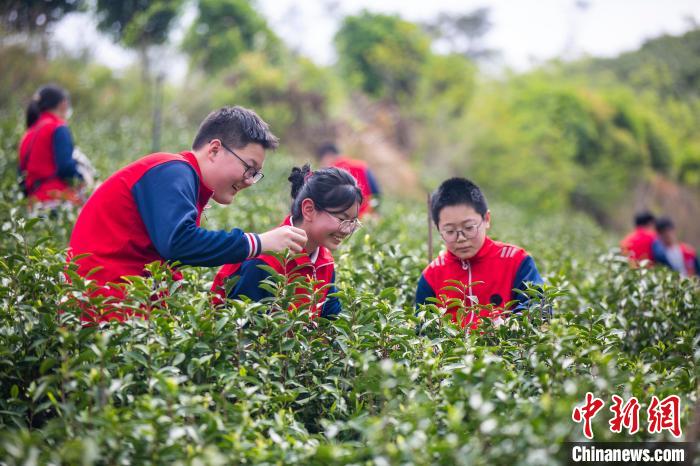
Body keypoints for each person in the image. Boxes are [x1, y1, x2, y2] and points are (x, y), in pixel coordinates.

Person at [68, 106, 308, 322]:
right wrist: (259, 242)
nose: (249, 181)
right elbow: (179, 242)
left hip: (120, 306)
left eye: (256, 174)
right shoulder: (173, 171)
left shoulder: (183, 178)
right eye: (249, 168)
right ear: (214, 149)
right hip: (103, 308)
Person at [212, 164, 363, 319]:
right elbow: (241, 328)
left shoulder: (324, 261)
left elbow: (331, 318)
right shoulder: (263, 262)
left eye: (353, 223)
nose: (347, 230)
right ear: (309, 209)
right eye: (343, 219)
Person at [415, 177, 544, 329]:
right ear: (438, 229)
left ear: (486, 219)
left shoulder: (516, 261)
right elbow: (423, 330)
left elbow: (539, 310)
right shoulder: (432, 275)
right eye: (450, 231)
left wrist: (508, 327)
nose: (461, 238)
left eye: (469, 227)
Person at [18, 84, 85, 207]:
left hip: (33, 203)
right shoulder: (58, 127)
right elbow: (66, 167)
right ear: (63, 103)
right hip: (58, 199)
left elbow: (21, 174)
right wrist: (82, 180)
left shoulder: (28, 133)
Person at [317, 142, 380, 217]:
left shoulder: (328, 172)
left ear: (327, 156)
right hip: (365, 217)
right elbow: (376, 193)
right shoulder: (362, 166)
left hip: (343, 219)